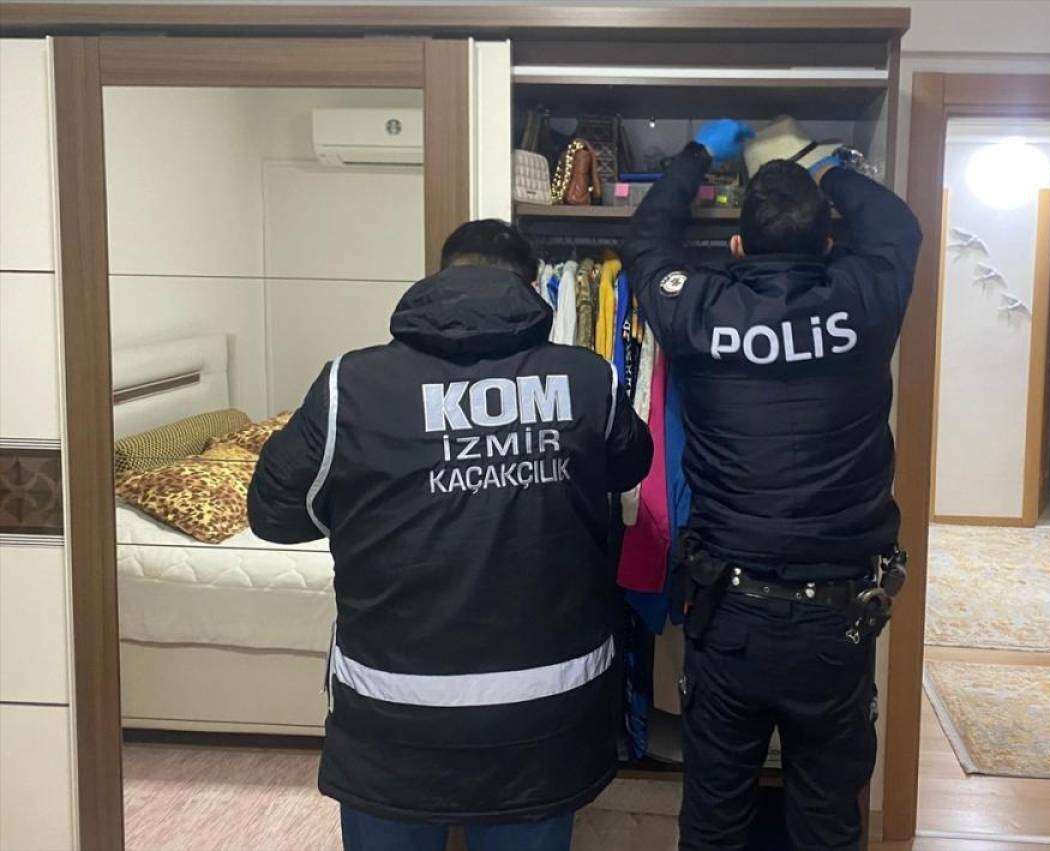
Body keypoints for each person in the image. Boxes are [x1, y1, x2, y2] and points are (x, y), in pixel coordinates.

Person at [248, 219, 653, 851]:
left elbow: (273, 512)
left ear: (440, 276)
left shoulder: (352, 384)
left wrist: (378, 505)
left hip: (394, 718)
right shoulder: (585, 380)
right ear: (531, 286)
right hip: (542, 717)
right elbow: (630, 464)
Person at [621, 119, 922, 850]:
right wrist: (825, 168)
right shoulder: (865, 295)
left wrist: (697, 156)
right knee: (826, 818)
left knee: (716, 818)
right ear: (829, 244)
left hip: (731, 616)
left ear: (735, 249)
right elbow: (897, 226)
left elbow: (646, 241)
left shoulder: (699, 308)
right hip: (838, 619)